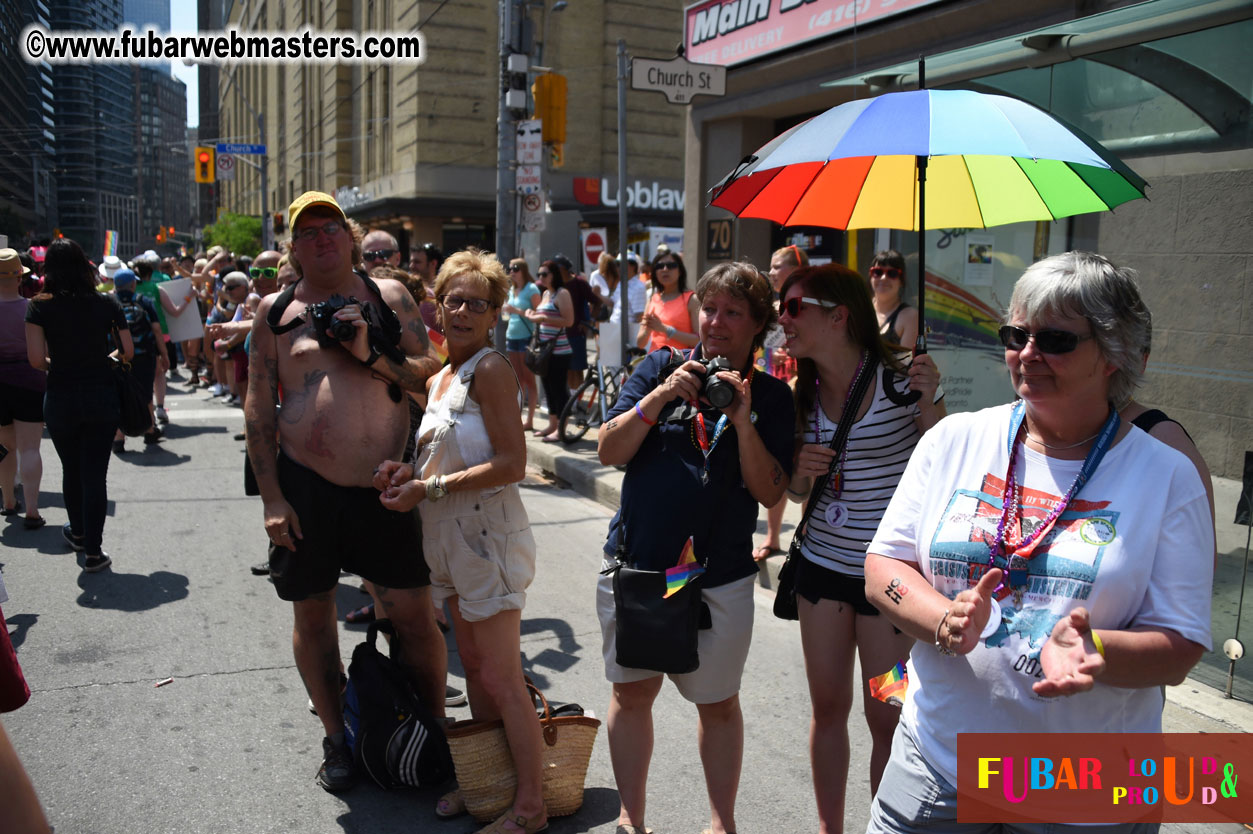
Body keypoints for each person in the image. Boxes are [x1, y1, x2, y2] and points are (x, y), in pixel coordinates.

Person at [863, 251, 1214, 834]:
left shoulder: (1167, 475)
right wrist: (943, 620)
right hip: (937, 764)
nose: (1028, 353)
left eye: (1055, 339)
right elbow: (883, 566)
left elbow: (1181, 646)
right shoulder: (952, 439)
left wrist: (1095, 651)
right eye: (1016, 333)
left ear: (1114, 355)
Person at [245, 191, 447, 792]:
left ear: (350, 236)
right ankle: (336, 739)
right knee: (314, 617)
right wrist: (272, 499)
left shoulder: (389, 298)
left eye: (331, 226)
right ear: (294, 247)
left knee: (413, 614)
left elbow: (430, 376)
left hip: (383, 486)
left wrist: (372, 353)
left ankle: (432, 728)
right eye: (308, 232)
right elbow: (259, 406)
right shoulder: (274, 312)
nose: (322, 238)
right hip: (307, 489)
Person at [597, 261, 796, 834]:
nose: (717, 322)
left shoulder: (773, 397)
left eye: (734, 312)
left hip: (719, 576)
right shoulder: (660, 365)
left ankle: (721, 823)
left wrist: (744, 417)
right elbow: (610, 450)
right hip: (641, 569)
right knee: (632, 696)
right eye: (710, 308)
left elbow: (770, 489)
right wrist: (658, 397)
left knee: (717, 703)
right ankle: (631, 819)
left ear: (757, 326)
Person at [374, 249, 545, 834]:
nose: (464, 311)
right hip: (447, 538)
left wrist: (431, 487)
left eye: (478, 302)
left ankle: (529, 806)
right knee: (473, 670)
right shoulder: (444, 374)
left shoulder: (492, 369)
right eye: (454, 300)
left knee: (499, 675)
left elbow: (513, 462)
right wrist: (406, 477)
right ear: (437, 308)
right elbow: (440, 455)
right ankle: (488, 786)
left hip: (486, 538)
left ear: (497, 312)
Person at [778, 264, 945, 833]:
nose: (783, 318)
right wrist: (799, 473)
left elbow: (942, 458)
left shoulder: (901, 377)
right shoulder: (798, 391)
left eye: (795, 307)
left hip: (888, 587)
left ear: (838, 316)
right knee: (828, 712)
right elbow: (795, 493)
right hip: (822, 575)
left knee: (886, 715)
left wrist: (930, 398)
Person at [25, 238, 133, 572]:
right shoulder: (106, 303)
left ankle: (79, 533)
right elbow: (126, 351)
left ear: (48, 270)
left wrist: (59, 363)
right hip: (100, 394)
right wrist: (107, 362)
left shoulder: (39, 306)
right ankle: (94, 552)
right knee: (94, 475)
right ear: (85, 265)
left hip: (60, 396)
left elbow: (35, 360)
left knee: (71, 470)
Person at [754, 244, 810, 562]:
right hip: (773, 393)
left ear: (796, 270)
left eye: (778, 267)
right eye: (772, 266)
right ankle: (772, 537)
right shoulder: (771, 307)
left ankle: (805, 536)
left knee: (806, 467)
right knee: (773, 464)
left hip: (802, 394)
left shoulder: (807, 306)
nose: (771, 272)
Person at [0, 249, 46, 529]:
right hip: (30, 380)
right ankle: (32, 508)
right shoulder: (32, 308)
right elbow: (42, 351)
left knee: (4, 447)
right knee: (30, 448)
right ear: (20, 277)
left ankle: (7, 501)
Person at [109, 268, 167, 452]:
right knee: (145, 392)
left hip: (116, 355)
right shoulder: (145, 302)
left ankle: (118, 438)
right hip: (144, 355)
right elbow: (157, 330)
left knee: (118, 394)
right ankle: (149, 430)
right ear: (133, 284)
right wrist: (163, 354)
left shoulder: (109, 303)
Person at [523, 259, 574, 442]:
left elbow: (569, 321)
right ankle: (552, 425)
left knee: (559, 389)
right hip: (545, 351)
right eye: (539, 274)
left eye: (545, 274)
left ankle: (561, 428)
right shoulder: (545, 294)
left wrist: (543, 317)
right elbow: (542, 317)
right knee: (548, 388)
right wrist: (532, 315)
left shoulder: (562, 293)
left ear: (554, 275)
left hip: (559, 351)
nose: (541, 278)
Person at [501, 258, 541, 431]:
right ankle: (518, 416)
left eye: (515, 268)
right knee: (517, 380)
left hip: (526, 338)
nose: (511, 271)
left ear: (523, 270)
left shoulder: (531, 289)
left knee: (529, 379)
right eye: (510, 268)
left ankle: (530, 419)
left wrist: (516, 310)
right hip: (512, 336)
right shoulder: (512, 289)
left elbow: (539, 314)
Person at [637, 252, 699, 353]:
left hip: (680, 363)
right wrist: (648, 329)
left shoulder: (691, 299)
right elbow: (640, 343)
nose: (665, 269)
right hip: (655, 361)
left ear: (680, 271)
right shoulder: (652, 299)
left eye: (671, 266)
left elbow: (699, 341)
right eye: (660, 266)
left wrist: (664, 329)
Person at [869, 250, 918, 349]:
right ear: (871, 276)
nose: (883, 278)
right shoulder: (860, 309)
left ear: (901, 281)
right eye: (877, 272)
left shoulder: (910, 317)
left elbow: (904, 363)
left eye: (892, 273)